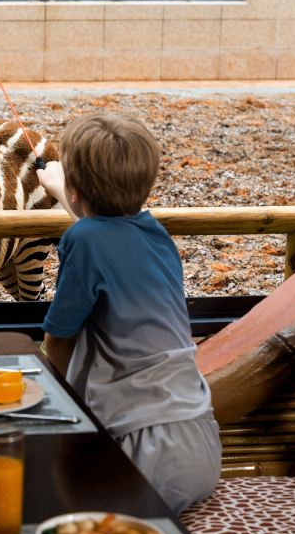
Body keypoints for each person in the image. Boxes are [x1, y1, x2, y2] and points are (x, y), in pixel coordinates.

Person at [35, 112, 221, 513]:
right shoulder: (157, 235)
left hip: (138, 450)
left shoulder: (83, 238)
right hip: (200, 441)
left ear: (77, 190)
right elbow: (110, 232)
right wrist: (63, 188)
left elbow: (58, 342)